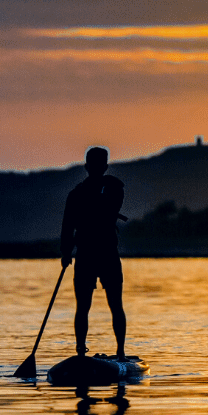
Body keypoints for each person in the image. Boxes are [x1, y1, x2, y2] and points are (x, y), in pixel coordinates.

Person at [60, 146, 127, 359]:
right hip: (87, 255)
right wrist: (65, 253)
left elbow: (110, 208)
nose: (98, 168)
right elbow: (67, 227)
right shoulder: (76, 194)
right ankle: (81, 351)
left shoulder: (114, 188)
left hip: (105, 253)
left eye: (100, 165)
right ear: (88, 167)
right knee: (84, 307)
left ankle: (121, 352)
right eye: (95, 165)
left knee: (115, 305)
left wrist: (66, 251)